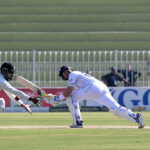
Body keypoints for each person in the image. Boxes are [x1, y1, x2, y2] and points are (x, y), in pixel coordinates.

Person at [55, 66, 144, 128]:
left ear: (66, 72)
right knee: (115, 109)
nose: (64, 75)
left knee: (72, 98)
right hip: (101, 87)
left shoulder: (73, 74)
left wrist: (57, 99)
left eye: (63, 73)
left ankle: (78, 122)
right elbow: (69, 92)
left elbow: (68, 93)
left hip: (91, 88)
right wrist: (58, 98)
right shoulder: (77, 75)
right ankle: (136, 117)